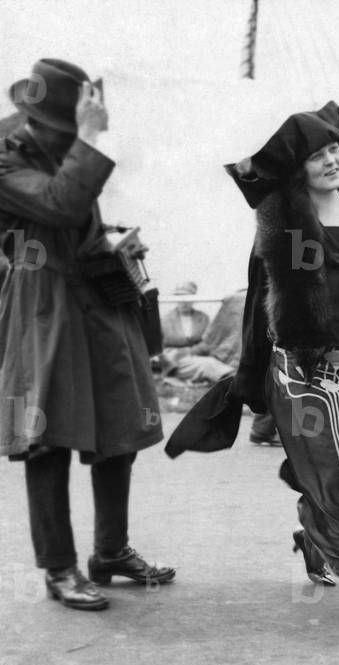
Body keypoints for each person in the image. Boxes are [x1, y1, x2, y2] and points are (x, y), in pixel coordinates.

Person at [0, 59, 174, 611]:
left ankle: (110, 552)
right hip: (40, 303)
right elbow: (60, 203)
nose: (80, 138)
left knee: (118, 425)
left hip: (94, 293)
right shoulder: (3, 155)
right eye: (72, 128)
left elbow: (77, 209)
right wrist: (93, 136)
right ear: (39, 120)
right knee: (46, 436)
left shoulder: (57, 142)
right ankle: (58, 568)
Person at [226, 101, 339, 641]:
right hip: (305, 371)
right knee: (337, 479)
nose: (330, 160)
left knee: (338, 476)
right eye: (316, 155)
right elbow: (272, 299)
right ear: (296, 169)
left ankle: (313, 536)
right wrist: (255, 378)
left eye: (334, 149)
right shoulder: (286, 225)